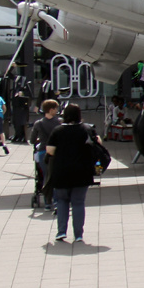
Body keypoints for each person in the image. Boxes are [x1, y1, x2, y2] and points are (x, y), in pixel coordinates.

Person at [47, 103, 99, 242]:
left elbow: (50, 150)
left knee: (62, 201)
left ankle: (61, 231)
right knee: (78, 202)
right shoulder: (87, 129)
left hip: (61, 172)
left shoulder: (57, 130)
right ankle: (78, 234)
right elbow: (98, 143)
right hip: (82, 172)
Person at [30, 99, 63, 211]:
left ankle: (47, 203)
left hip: (43, 152)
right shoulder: (59, 122)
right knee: (56, 176)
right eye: (56, 109)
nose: (57, 111)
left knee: (46, 177)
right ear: (51, 109)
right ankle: (56, 201)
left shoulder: (38, 123)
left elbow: (32, 140)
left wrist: (40, 140)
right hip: (56, 152)